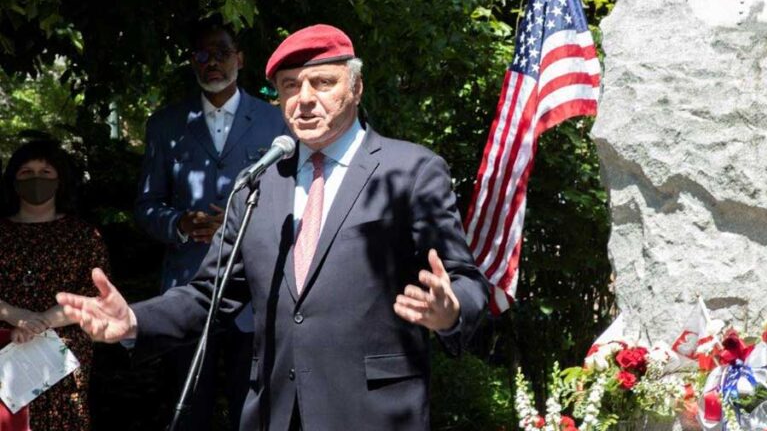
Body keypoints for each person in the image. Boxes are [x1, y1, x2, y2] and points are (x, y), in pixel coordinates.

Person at [59, 24, 490, 430]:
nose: (305, 98)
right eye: (290, 86)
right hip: (274, 413)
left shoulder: (411, 170)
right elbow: (209, 294)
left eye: (323, 82)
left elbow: (466, 280)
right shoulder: (258, 185)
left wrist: (450, 310)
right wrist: (134, 319)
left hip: (372, 412)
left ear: (356, 88)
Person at [135, 20, 287, 430]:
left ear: (240, 58)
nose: (212, 62)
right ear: (192, 62)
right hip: (186, 290)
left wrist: (244, 224)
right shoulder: (165, 125)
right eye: (202, 54)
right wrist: (180, 223)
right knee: (187, 412)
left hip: (255, 292)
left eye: (222, 52)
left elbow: (295, 202)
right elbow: (146, 206)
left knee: (254, 413)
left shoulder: (277, 122)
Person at [0, 139, 110, 430]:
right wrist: (15, 315)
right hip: (6, 344)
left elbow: (97, 296)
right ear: (13, 180)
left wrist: (42, 322)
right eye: (26, 172)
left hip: (63, 351)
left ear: (60, 180)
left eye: (45, 172)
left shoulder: (84, 236)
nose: (36, 179)